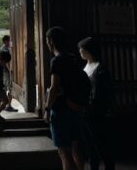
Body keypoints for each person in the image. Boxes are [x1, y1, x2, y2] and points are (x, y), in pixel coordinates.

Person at [44, 26, 86, 170]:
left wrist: (47, 109)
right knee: (76, 147)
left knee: (64, 152)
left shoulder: (56, 61)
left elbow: (54, 88)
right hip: (76, 107)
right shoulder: (74, 58)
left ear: (50, 41)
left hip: (62, 109)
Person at [78, 37, 115, 170]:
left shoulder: (101, 68)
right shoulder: (86, 65)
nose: (79, 51)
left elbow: (104, 92)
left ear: (88, 50)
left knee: (100, 144)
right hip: (85, 111)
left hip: (97, 112)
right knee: (89, 144)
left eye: (81, 48)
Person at [0, 35, 18, 112]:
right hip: (6, 72)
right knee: (9, 88)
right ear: (5, 41)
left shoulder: (4, 49)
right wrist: (9, 70)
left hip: (3, 71)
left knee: (5, 88)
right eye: (9, 40)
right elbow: (5, 62)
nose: (10, 42)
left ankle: (5, 104)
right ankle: (8, 105)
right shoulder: (5, 50)